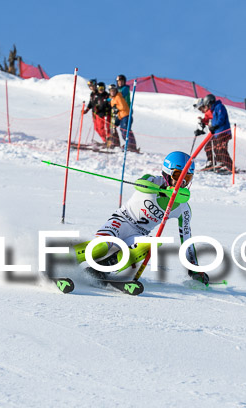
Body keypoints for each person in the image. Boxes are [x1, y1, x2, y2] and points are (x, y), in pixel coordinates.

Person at [74, 151, 209, 285]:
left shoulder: (183, 208)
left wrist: (194, 269)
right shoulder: (153, 180)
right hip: (121, 222)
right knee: (102, 247)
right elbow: (140, 184)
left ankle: (101, 270)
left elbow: (187, 240)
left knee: (154, 243)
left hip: (138, 234)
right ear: (167, 173)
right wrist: (163, 191)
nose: (183, 182)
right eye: (178, 175)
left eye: (188, 177)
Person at [199, 94, 233, 172]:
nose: (207, 107)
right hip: (217, 132)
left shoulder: (219, 107)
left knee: (220, 149)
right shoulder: (213, 110)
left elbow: (221, 118)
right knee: (209, 147)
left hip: (223, 131)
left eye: (207, 105)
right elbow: (210, 120)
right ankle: (214, 163)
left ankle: (228, 166)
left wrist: (215, 126)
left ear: (210, 102)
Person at [109, 83, 138, 152]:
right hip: (120, 116)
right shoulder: (113, 99)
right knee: (112, 126)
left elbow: (123, 107)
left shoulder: (118, 96)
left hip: (125, 115)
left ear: (116, 90)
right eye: (111, 91)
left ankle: (131, 145)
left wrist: (116, 108)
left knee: (125, 130)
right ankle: (115, 142)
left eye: (113, 90)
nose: (112, 92)